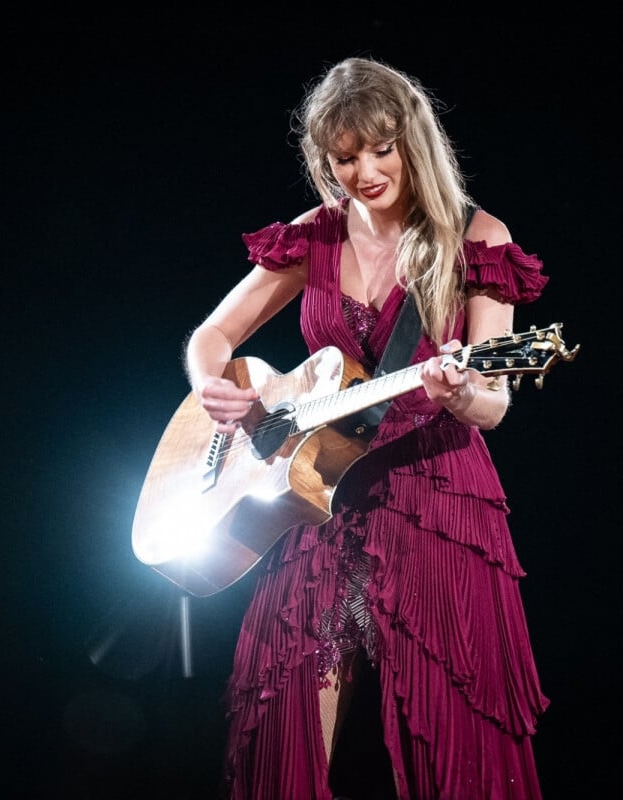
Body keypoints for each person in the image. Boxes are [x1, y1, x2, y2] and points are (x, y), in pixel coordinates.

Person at [182, 57, 551, 799]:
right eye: (344, 156)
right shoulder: (314, 235)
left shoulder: (474, 237)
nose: (364, 171)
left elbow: (495, 402)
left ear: (412, 141)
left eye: (379, 149)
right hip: (315, 497)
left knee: (458, 739)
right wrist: (214, 391)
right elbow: (210, 338)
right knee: (278, 722)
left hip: (437, 498)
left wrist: (456, 394)